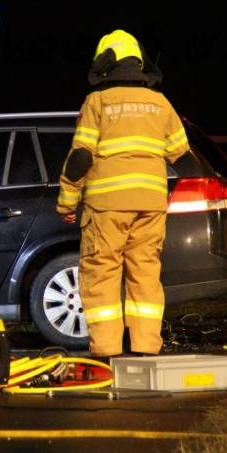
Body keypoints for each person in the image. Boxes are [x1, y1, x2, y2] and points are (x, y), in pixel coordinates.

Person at [56, 30, 190, 360]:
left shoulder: (98, 101)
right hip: (150, 206)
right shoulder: (160, 102)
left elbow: (81, 157)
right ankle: (146, 349)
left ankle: (106, 354)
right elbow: (180, 153)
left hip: (107, 208)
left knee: (101, 274)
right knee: (145, 274)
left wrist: (67, 201)